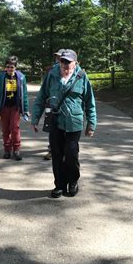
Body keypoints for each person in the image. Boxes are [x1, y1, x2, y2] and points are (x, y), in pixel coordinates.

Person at [31, 49, 97, 198]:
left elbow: (89, 102)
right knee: (57, 154)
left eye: (68, 62)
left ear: (75, 63)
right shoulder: (51, 75)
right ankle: (59, 185)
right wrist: (35, 119)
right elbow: (41, 97)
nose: (65, 66)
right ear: (59, 62)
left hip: (74, 122)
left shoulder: (81, 77)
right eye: (63, 62)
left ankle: (73, 181)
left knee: (71, 154)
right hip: (55, 121)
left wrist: (91, 123)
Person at [0, 56, 29, 161]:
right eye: (7, 67)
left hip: (15, 107)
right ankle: (7, 149)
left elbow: (24, 94)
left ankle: (16, 150)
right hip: (4, 107)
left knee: (15, 128)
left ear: (15, 67)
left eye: (12, 67)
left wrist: (25, 109)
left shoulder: (21, 77)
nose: (9, 69)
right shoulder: (0, 77)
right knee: (5, 129)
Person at [43, 48, 65, 160]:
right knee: (51, 126)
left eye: (60, 57)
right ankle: (51, 149)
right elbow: (45, 88)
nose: (58, 59)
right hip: (51, 103)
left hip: (65, 106)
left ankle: (64, 150)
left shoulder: (72, 70)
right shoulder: (51, 70)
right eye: (57, 57)